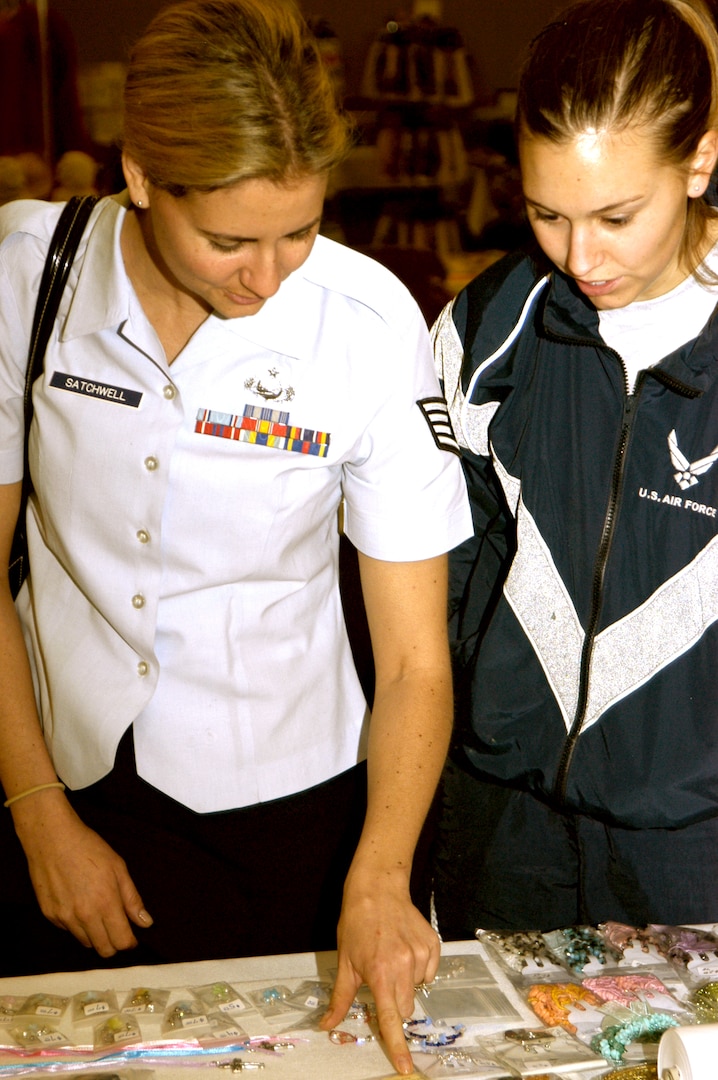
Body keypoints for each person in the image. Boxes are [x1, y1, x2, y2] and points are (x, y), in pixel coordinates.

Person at [0, 0, 472, 1072]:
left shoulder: (365, 322)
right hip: (63, 778)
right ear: (138, 176)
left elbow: (411, 660)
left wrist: (380, 872)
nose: (268, 278)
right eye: (226, 241)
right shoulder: (28, 274)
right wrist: (38, 818)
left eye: (299, 230)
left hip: (295, 811)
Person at [431, 0, 718, 936]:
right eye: (546, 213)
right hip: (500, 826)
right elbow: (442, 580)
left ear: (701, 162)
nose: (580, 256)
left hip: (692, 850)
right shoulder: (485, 331)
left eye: (617, 215)